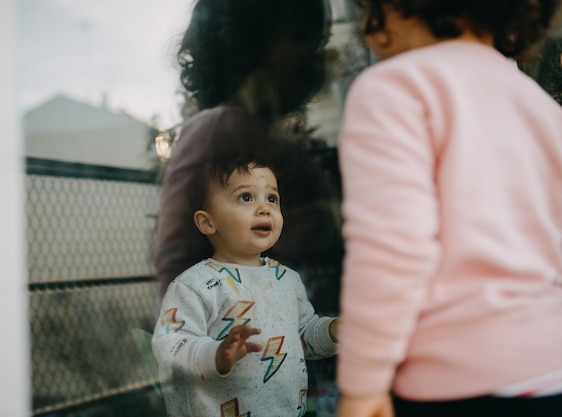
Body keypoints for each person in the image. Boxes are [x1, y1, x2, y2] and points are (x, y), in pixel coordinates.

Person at [335, 1, 562, 416]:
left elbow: (393, 249)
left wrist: (363, 385)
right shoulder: (540, 104)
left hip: (455, 382)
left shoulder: (392, 88)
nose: (367, 28)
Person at [153, 0, 343, 316]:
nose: (316, 54)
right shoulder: (218, 129)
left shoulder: (261, 136)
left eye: (319, 42)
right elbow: (177, 260)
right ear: (247, 42)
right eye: (300, 36)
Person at [151, 154, 339, 416]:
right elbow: (171, 345)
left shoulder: (287, 279)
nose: (264, 209)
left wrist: (333, 331)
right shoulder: (195, 286)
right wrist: (216, 355)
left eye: (272, 198)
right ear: (207, 222)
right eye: (246, 197)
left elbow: (303, 338)